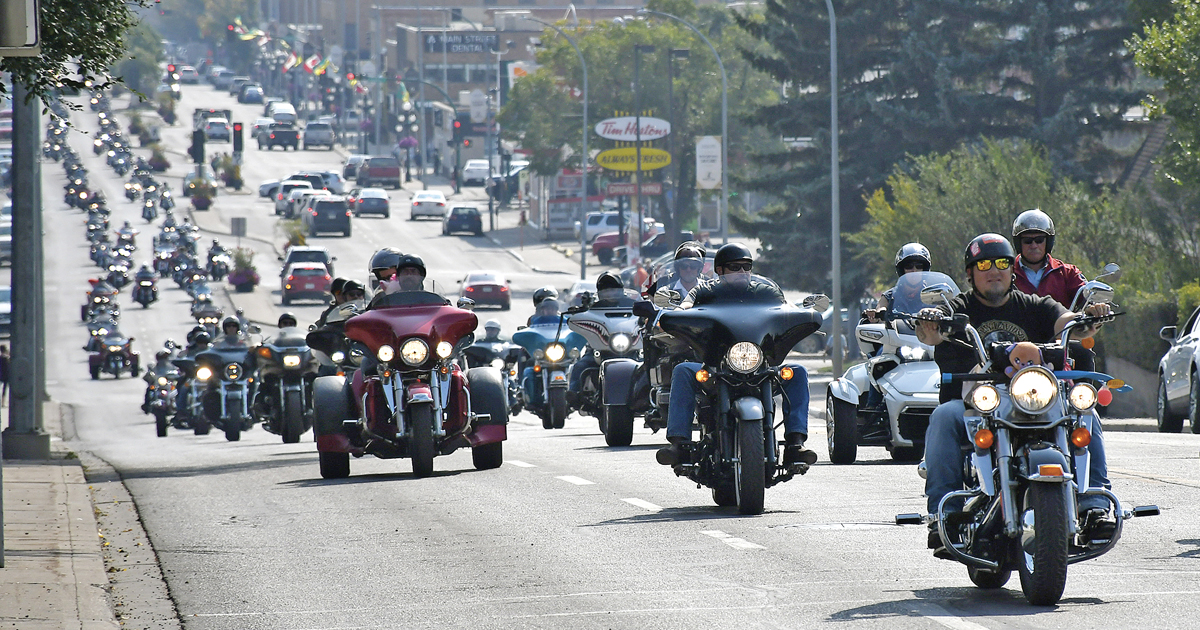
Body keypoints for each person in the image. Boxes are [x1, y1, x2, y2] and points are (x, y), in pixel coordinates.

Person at [914, 233, 1114, 554]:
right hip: (975, 406)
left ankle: (1093, 503)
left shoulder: (1034, 305)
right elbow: (930, 334)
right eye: (984, 264)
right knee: (942, 416)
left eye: (1003, 263)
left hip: (1033, 401)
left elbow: (1065, 320)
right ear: (970, 272)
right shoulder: (958, 309)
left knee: (1084, 413)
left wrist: (1085, 320)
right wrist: (930, 322)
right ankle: (943, 512)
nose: (995, 270)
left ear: (1012, 269)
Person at [656, 243, 818, 468]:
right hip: (715, 366)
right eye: (735, 267)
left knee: (797, 372)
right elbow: (685, 307)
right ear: (720, 270)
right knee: (683, 370)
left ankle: (795, 443)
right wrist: (676, 317)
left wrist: (804, 314)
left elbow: (786, 306)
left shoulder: (766, 290)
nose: (742, 272)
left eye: (746, 266)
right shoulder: (704, 291)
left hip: (759, 365)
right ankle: (679, 444)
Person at [567, 272, 637, 397]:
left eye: (614, 290)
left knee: (650, 363)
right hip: (598, 348)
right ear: (599, 294)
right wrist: (580, 311)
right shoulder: (592, 308)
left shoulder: (633, 306)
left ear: (621, 291)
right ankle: (574, 394)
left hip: (630, 347)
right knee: (580, 366)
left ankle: (652, 394)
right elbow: (580, 316)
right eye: (606, 291)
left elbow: (642, 317)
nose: (610, 294)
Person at [1011, 209, 1086, 309]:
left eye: (1039, 240)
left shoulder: (1067, 273)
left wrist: (1096, 307)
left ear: (1049, 242)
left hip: (1061, 325)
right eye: (1027, 241)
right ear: (1018, 244)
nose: (1034, 246)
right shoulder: (1006, 274)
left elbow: (1087, 297)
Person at [864, 242, 932, 323]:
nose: (914, 270)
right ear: (902, 270)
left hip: (926, 334)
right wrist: (876, 315)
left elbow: (943, 311)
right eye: (909, 266)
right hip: (896, 335)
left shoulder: (932, 296)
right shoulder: (889, 296)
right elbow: (880, 308)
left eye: (919, 266)